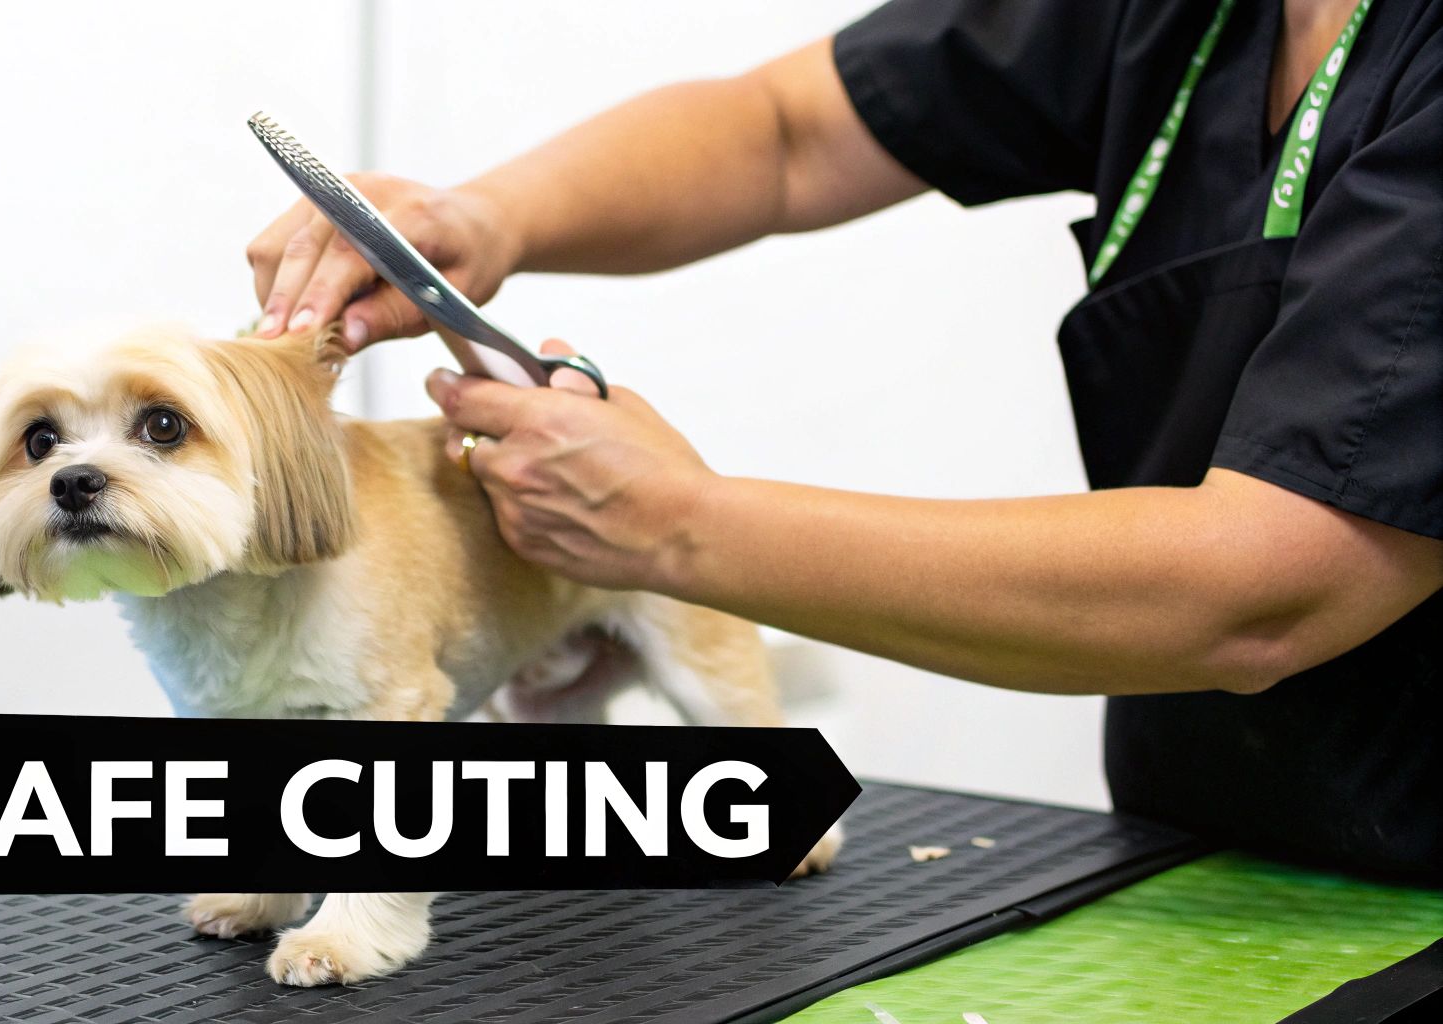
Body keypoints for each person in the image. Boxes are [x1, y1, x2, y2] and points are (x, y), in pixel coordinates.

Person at [247, 0, 1443, 882]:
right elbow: (787, 130)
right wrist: (482, 218)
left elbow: (1276, 582)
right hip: (1195, 846)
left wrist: (679, 527)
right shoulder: (1180, 18)